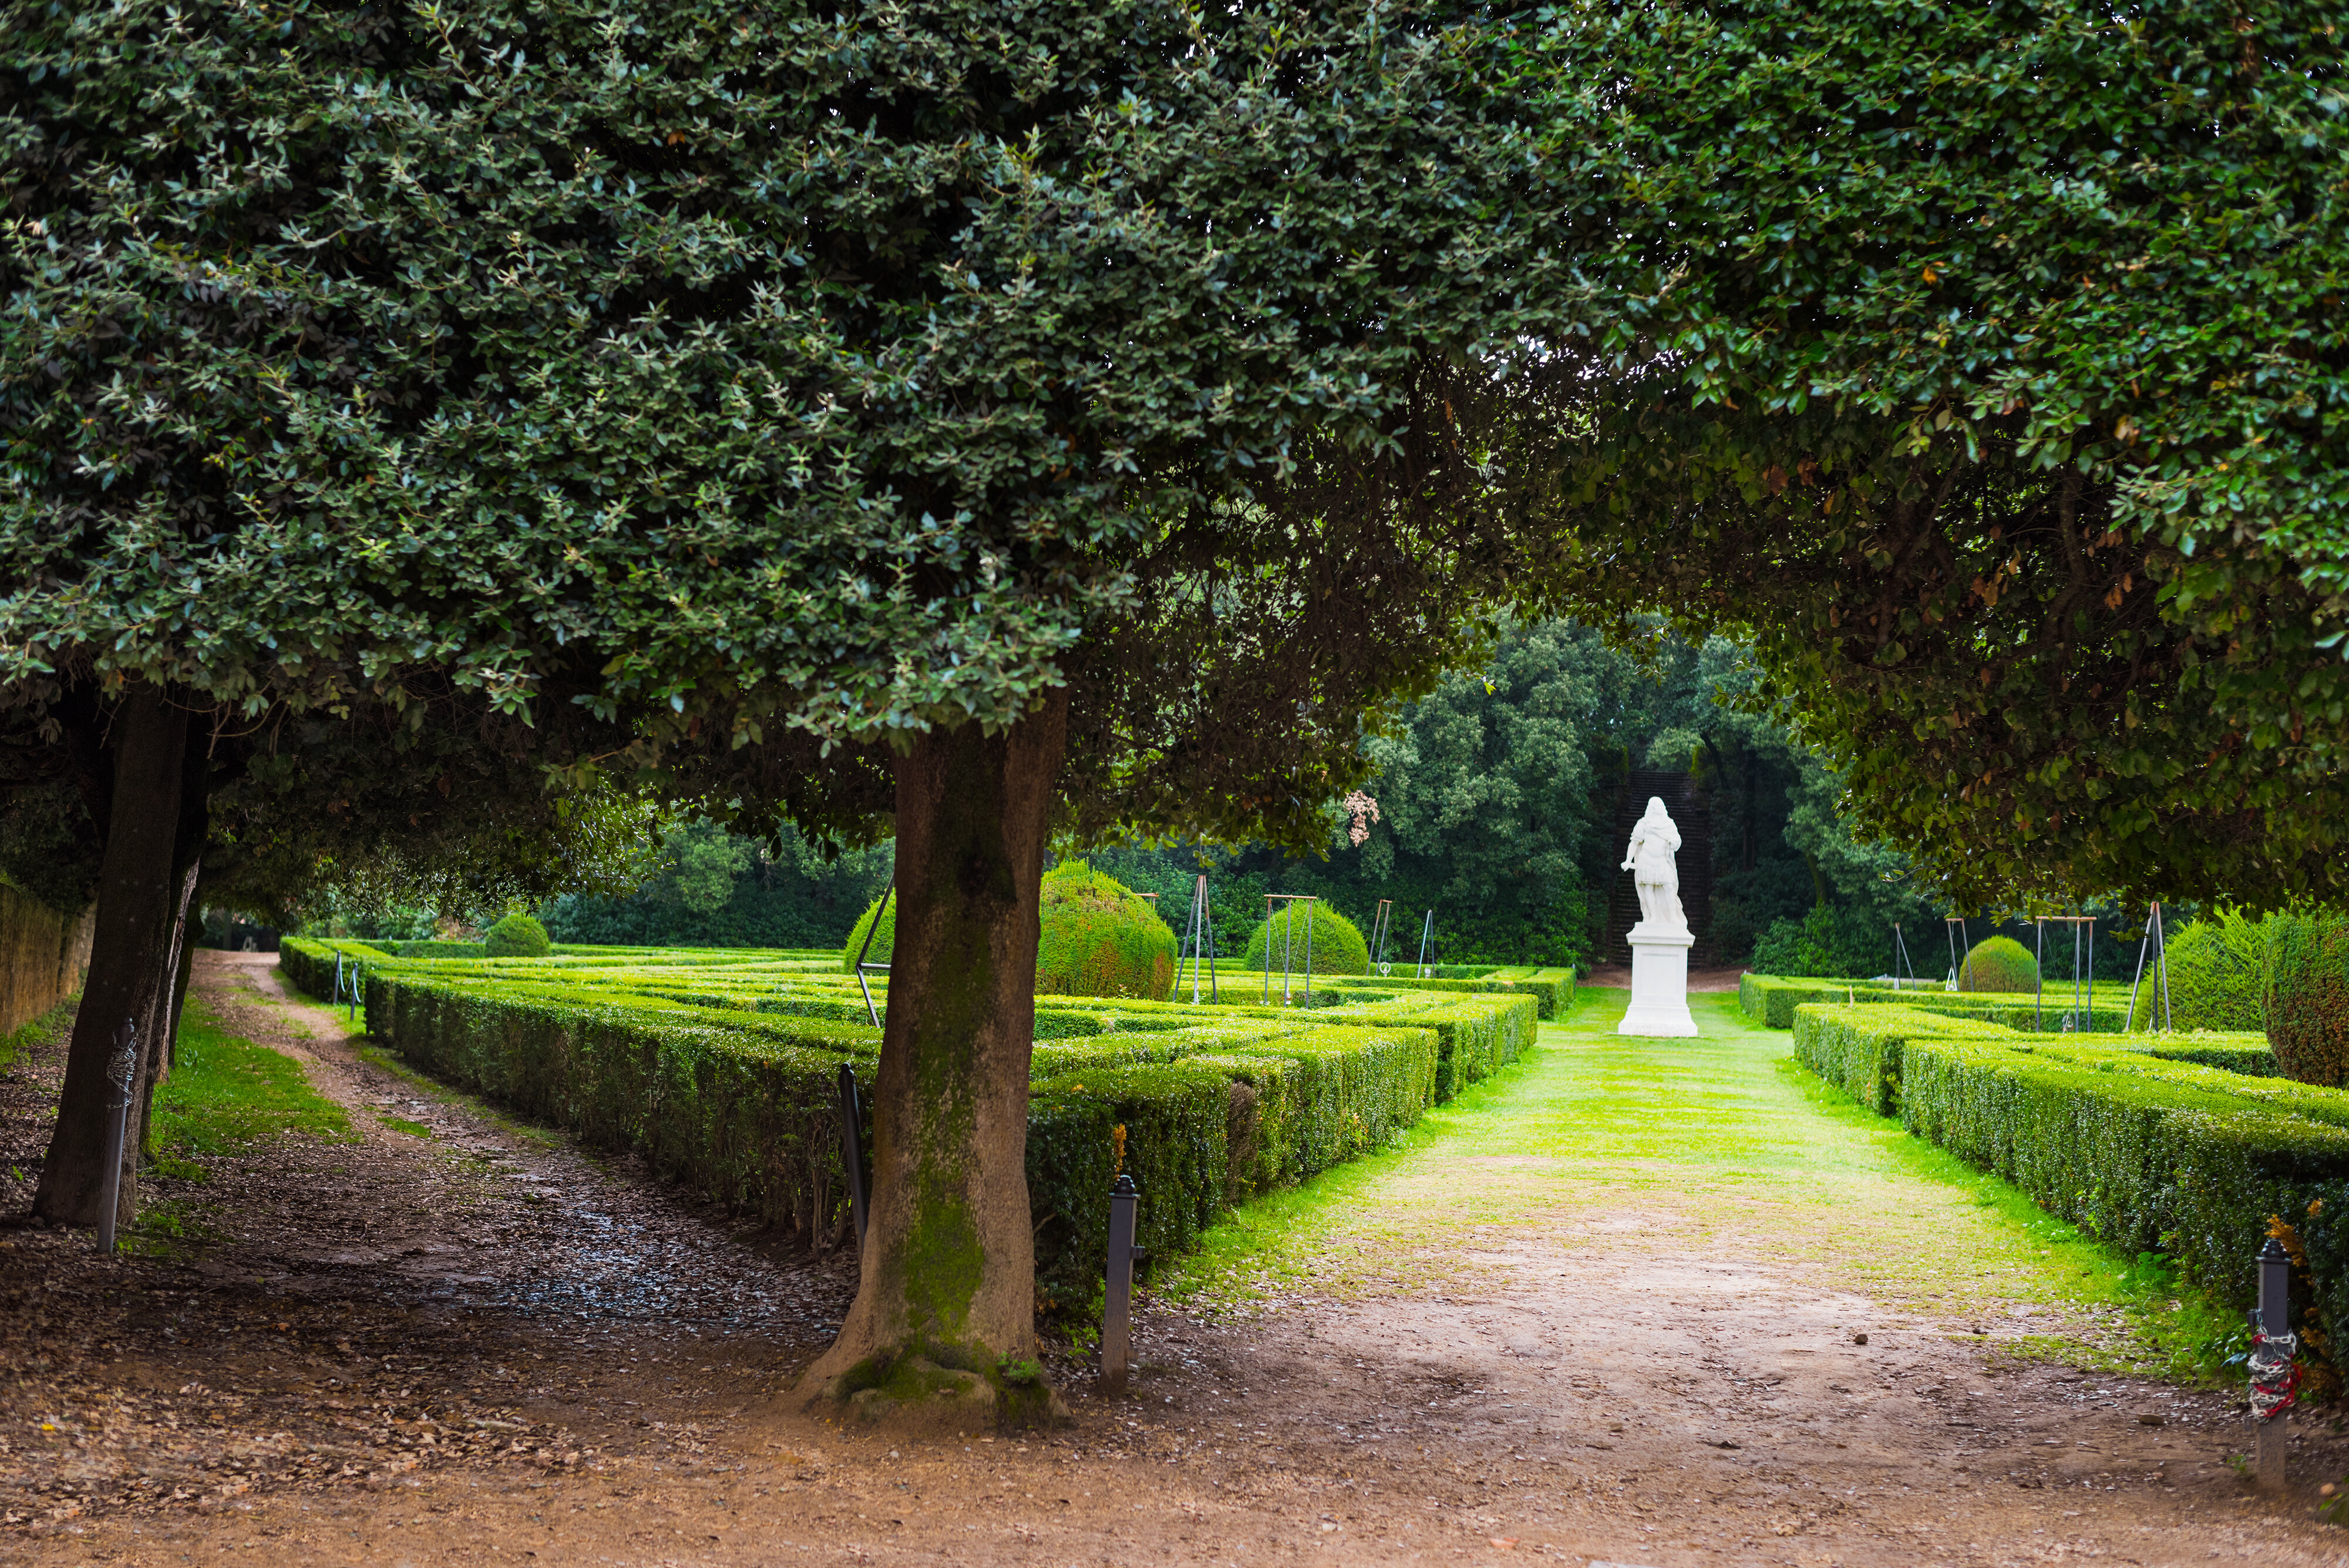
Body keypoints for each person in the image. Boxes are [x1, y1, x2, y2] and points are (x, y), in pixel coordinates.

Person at [1621, 797, 1687, 934]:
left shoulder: (1669, 824)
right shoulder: (1644, 824)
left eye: (1659, 804)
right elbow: (1634, 843)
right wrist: (1628, 860)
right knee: (1648, 888)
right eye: (1654, 804)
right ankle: (1653, 916)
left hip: (1663, 860)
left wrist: (1674, 844)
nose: (1656, 806)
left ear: (1662, 807)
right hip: (1647, 860)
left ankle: (1673, 917)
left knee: (1669, 887)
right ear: (1649, 807)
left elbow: (1677, 840)